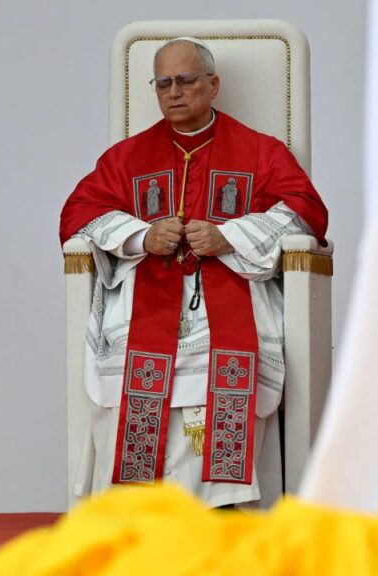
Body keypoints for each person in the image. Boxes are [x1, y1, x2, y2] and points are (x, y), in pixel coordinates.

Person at [59, 38, 328, 508]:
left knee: (229, 364)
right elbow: (79, 211)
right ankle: (137, 515)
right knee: (128, 370)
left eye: (185, 80)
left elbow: (306, 211)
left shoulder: (259, 151)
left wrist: (232, 237)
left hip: (234, 294)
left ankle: (226, 515)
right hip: (147, 298)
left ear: (213, 84)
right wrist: (143, 237)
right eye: (163, 83)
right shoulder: (128, 158)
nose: (174, 92)